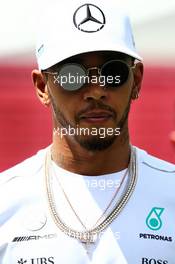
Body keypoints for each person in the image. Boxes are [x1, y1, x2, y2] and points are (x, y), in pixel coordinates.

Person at [0, 1, 175, 263]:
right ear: (42, 87)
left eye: (113, 72)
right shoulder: (6, 201)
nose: (96, 90)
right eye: (73, 75)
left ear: (136, 80)